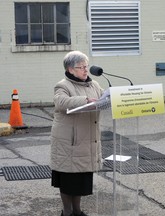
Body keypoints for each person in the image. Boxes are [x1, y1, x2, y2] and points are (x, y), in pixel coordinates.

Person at [50, 50, 104, 216]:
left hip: (87, 141)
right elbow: (61, 102)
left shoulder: (93, 84)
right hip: (70, 141)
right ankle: (67, 212)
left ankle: (77, 211)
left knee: (80, 180)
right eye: (81, 67)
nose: (85, 70)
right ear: (70, 69)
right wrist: (86, 100)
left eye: (86, 66)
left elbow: (103, 97)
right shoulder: (63, 86)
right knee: (68, 180)